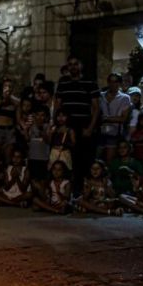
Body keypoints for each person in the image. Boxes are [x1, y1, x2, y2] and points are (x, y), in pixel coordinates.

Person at [55, 56, 100, 190]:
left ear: (80, 66)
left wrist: (90, 128)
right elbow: (57, 104)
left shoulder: (90, 82)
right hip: (67, 126)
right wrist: (57, 124)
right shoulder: (63, 82)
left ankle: (83, 190)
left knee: (83, 159)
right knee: (67, 159)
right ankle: (68, 190)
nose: (73, 67)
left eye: (75, 64)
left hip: (83, 126)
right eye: (70, 64)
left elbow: (96, 107)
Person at [98, 73, 131, 162]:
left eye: (116, 82)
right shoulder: (101, 96)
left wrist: (106, 118)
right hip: (100, 132)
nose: (113, 84)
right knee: (97, 159)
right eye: (111, 81)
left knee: (109, 160)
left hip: (114, 133)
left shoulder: (124, 98)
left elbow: (123, 118)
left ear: (119, 83)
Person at [0, 79, 19, 162]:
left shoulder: (16, 101)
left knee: (8, 159)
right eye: (6, 86)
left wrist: (9, 99)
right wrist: (3, 100)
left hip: (9, 131)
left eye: (10, 86)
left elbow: (18, 115)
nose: (8, 88)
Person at [24, 105, 50, 181]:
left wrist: (41, 130)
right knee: (32, 180)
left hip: (43, 159)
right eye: (38, 115)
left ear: (45, 117)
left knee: (42, 181)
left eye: (42, 115)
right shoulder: (31, 126)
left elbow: (48, 140)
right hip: (32, 158)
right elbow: (27, 139)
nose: (39, 117)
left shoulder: (47, 126)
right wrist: (25, 130)